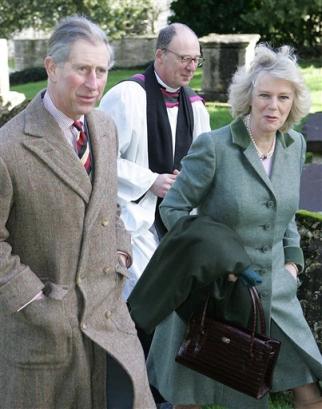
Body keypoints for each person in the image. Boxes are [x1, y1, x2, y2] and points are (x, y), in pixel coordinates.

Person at [146, 44, 322, 409]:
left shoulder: (294, 144)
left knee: (308, 392)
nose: (273, 106)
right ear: (249, 98)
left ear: (294, 102)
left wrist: (292, 262)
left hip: (275, 293)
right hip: (216, 293)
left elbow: (284, 210)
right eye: (265, 96)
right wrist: (215, 262)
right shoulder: (214, 147)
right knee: (190, 396)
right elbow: (174, 209)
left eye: (283, 97)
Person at [0, 15, 155, 409]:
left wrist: (121, 253)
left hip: (109, 318)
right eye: (82, 69)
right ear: (51, 67)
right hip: (44, 331)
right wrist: (36, 304)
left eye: (101, 70)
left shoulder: (104, 127)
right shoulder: (9, 147)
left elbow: (108, 203)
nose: (94, 82)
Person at [99, 23, 210, 300]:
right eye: (184, 58)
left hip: (179, 217)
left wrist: (187, 181)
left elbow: (205, 164)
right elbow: (100, 159)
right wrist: (150, 181)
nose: (191, 66)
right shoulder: (126, 96)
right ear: (160, 55)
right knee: (145, 295)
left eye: (196, 60)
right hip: (134, 218)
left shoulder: (195, 106)